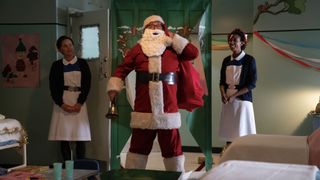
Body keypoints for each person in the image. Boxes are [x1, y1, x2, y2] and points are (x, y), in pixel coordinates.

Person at [107, 15, 199, 172]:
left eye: (159, 25)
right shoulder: (137, 49)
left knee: (172, 150)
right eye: (151, 25)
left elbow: (193, 53)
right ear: (145, 30)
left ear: (164, 29)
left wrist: (174, 38)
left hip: (168, 108)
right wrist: (114, 87)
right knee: (138, 149)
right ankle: (133, 175)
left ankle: (176, 176)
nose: (155, 28)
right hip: (144, 108)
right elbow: (122, 69)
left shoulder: (173, 47)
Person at [48, 35, 92, 161]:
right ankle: (68, 168)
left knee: (80, 137)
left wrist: (80, 103)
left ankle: (81, 167)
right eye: (65, 46)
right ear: (60, 49)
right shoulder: (56, 66)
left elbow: (87, 85)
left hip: (79, 102)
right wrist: (61, 104)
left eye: (70, 45)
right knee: (64, 136)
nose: (69, 48)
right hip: (62, 101)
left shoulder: (82, 63)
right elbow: (53, 88)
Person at [219, 28, 257, 147]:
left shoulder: (249, 60)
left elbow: (252, 83)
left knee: (242, 132)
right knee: (230, 132)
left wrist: (234, 95)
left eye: (235, 40)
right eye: (230, 40)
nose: (232, 43)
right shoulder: (226, 60)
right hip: (228, 101)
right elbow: (221, 82)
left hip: (242, 101)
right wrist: (223, 94)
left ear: (242, 43)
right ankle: (229, 155)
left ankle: (243, 156)